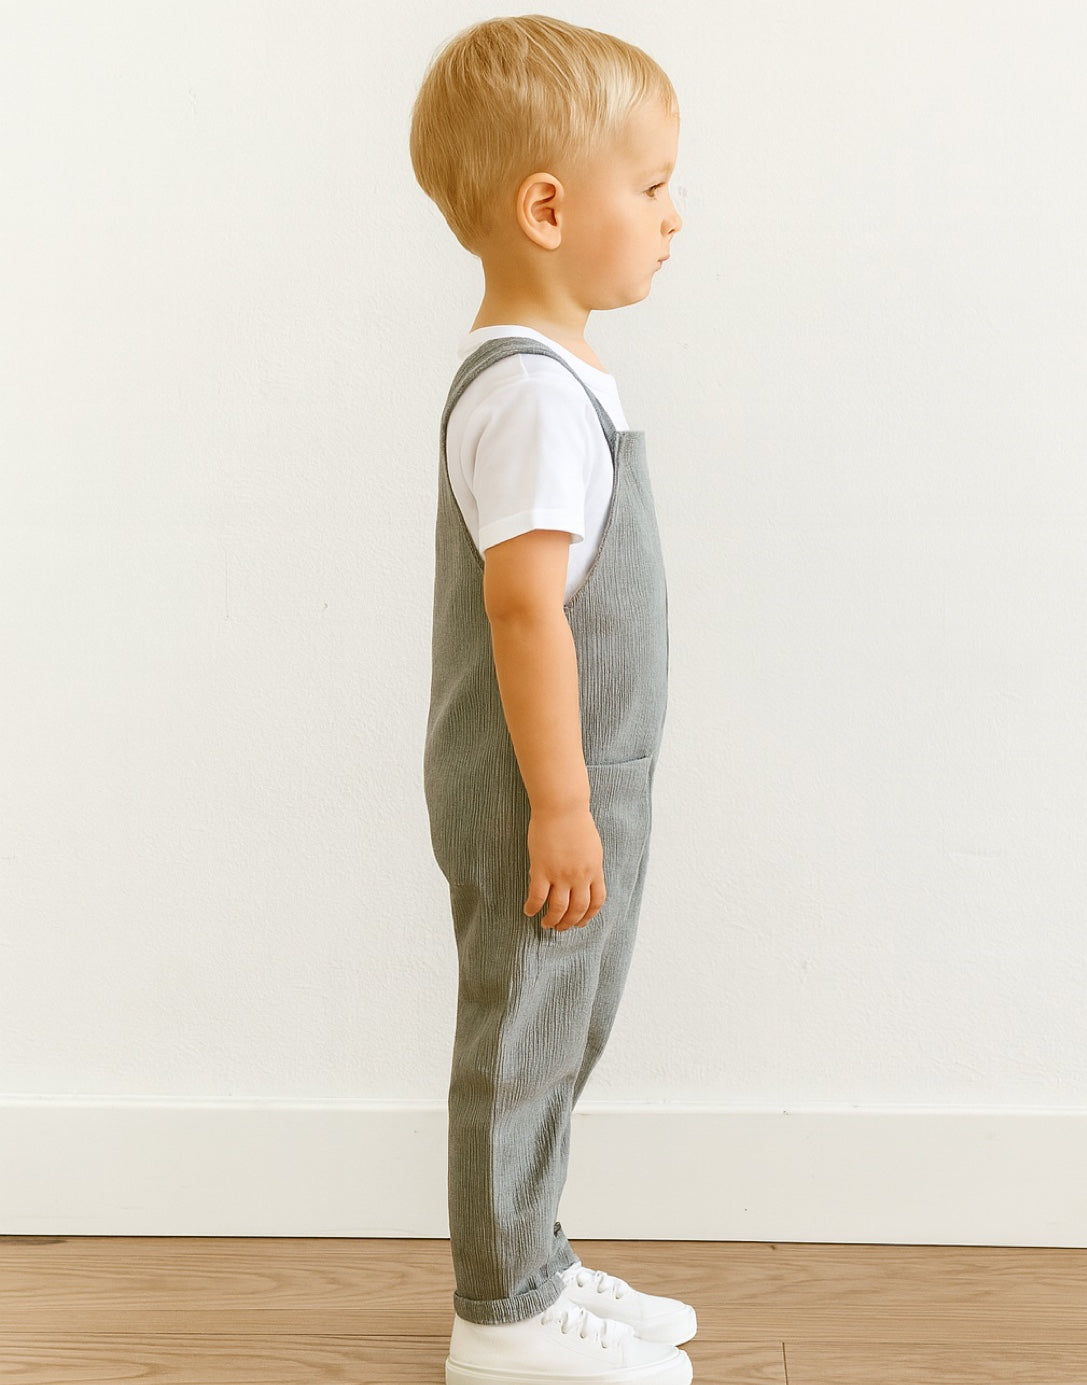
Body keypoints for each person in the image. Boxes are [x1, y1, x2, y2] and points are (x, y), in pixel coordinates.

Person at [410, 15, 696, 1383]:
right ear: (548, 209)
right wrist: (564, 804)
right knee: (525, 1033)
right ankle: (502, 1314)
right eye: (651, 185)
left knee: (565, 1027)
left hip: (585, 781)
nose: (673, 215)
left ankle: (535, 1254)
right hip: (548, 791)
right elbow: (523, 609)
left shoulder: (562, 377)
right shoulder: (528, 394)